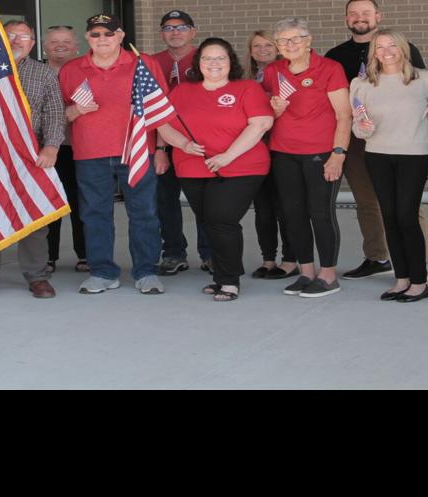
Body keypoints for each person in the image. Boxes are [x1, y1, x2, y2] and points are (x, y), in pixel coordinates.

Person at [56, 13, 170, 295]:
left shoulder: (144, 64)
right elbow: (59, 115)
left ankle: (146, 271)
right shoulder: (72, 70)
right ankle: (103, 272)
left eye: (108, 34)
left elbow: (162, 112)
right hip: (90, 153)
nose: (102, 39)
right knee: (94, 214)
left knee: (144, 213)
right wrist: (77, 109)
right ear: (87, 38)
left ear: (120, 36)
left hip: (137, 150)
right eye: (95, 34)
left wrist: (161, 149)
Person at [156, 38, 273, 301]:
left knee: (222, 219)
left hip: (242, 166)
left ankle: (230, 280)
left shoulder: (247, 88)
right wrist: (183, 144)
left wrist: (227, 156)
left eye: (220, 57)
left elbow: (261, 123)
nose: (214, 63)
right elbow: (162, 124)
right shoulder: (182, 92)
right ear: (198, 63)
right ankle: (220, 276)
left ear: (230, 61)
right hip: (192, 168)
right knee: (210, 222)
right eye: (207, 58)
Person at [325, 0, 428, 281]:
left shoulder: (404, 50)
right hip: (358, 138)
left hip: (402, 139)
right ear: (347, 18)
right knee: (366, 200)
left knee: (407, 203)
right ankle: (377, 256)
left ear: (378, 16)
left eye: (366, 13)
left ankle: (418, 262)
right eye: (354, 13)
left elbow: (418, 92)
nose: (360, 18)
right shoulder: (335, 55)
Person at [0, 19, 66, 301]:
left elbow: (55, 114)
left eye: (23, 36)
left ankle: (37, 276)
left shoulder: (43, 73)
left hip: (32, 156)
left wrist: (51, 147)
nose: (16, 41)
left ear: (33, 44)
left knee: (35, 218)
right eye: (9, 35)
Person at [262, 17, 351, 299]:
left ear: (308, 40)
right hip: (284, 152)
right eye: (283, 41)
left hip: (321, 152)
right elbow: (266, 116)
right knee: (293, 214)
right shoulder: (273, 70)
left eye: (295, 39)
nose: (289, 45)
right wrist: (275, 110)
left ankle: (328, 274)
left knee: (321, 213)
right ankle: (306, 271)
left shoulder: (330, 69)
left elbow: (344, 115)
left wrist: (338, 154)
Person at [351, 29, 428, 301]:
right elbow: (358, 127)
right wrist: (362, 127)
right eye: (379, 47)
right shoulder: (362, 84)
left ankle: (420, 282)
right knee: (389, 216)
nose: (386, 52)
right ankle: (401, 279)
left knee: (406, 216)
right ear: (373, 52)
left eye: (391, 46)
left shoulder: (427, 79)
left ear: (403, 49)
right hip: (377, 154)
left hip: (414, 154)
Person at [149, 9, 210, 277]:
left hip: (200, 142)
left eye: (182, 27)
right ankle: (174, 253)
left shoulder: (207, 58)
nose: (175, 32)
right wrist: (160, 149)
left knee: (205, 202)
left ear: (193, 32)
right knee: (165, 200)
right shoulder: (151, 62)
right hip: (162, 141)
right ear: (162, 33)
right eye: (169, 28)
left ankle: (210, 254)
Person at [247, 31, 297, 281]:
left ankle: (290, 259)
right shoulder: (244, 77)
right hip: (254, 149)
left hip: (281, 147)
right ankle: (268, 259)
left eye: (268, 45)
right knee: (263, 209)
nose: (263, 49)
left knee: (285, 207)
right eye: (257, 45)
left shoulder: (285, 74)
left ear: (277, 48)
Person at [43, 25, 88, 273]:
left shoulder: (86, 71)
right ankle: (47, 256)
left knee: (81, 203)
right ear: (45, 46)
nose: (60, 45)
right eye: (54, 41)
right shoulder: (36, 72)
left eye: (66, 41)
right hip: (47, 149)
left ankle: (85, 254)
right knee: (49, 203)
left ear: (76, 46)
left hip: (79, 147)